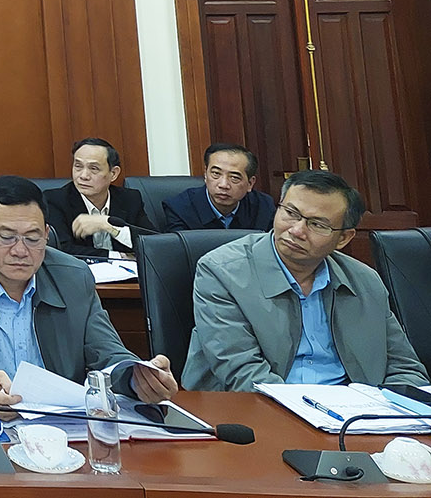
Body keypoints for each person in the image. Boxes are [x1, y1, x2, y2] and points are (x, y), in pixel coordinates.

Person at [0, 175, 178, 411]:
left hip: (59, 423)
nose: (20, 250)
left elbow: (108, 352)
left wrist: (137, 378)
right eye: (6, 237)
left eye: (32, 238)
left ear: (46, 233)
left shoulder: (73, 277)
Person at [183, 170, 427, 391]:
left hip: (354, 414)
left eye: (317, 224)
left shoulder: (365, 281)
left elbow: (405, 368)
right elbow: (242, 374)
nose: (297, 231)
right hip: (258, 411)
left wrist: (384, 413)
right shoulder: (222, 272)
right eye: (290, 213)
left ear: (343, 238)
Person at [45, 138, 152, 259]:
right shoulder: (55, 200)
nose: (83, 176)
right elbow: (62, 250)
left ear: (113, 173)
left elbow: (152, 241)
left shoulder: (130, 199)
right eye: (78, 166)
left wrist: (106, 225)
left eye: (94, 168)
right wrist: (119, 256)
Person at [162, 143, 275, 231]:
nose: (223, 185)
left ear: (250, 183)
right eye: (216, 174)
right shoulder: (179, 208)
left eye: (234, 178)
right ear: (205, 174)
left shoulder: (264, 207)